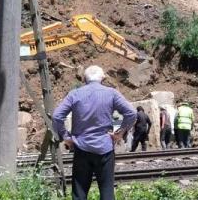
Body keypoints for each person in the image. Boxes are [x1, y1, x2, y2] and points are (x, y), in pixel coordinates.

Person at [53, 65, 137, 200]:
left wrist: (66, 137)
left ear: (84, 79)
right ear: (103, 78)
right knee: (107, 192)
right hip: (105, 148)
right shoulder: (111, 93)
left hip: (81, 148)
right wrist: (120, 133)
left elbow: (57, 116)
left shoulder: (75, 94)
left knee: (79, 194)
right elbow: (131, 113)